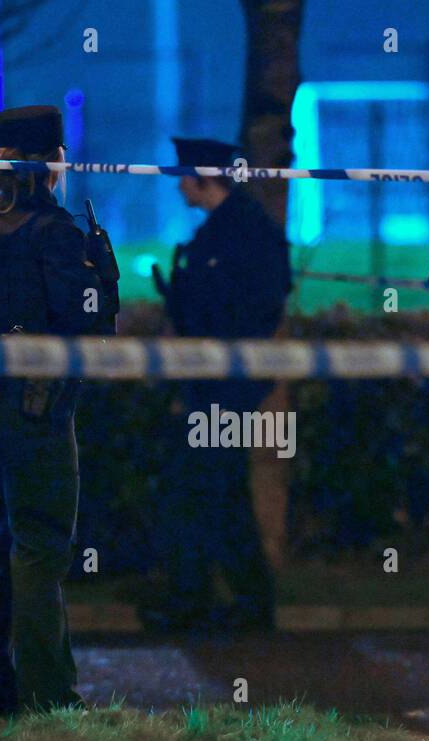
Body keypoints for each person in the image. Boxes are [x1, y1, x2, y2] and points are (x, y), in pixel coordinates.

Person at [0, 106, 118, 715]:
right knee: (38, 549)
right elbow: (84, 319)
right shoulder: (52, 230)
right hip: (35, 409)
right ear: (53, 160)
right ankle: (48, 698)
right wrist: (105, 280)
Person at [138, 137, 291, 634]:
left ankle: (201, 603)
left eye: (184, 175)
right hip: (213, 384)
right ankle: (237, 604)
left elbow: (249, 309)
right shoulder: (222, 232)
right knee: (216, 492)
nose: (179, 184)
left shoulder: (244, 234)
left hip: (227, 386)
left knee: (198, 488)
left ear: (205, 178)